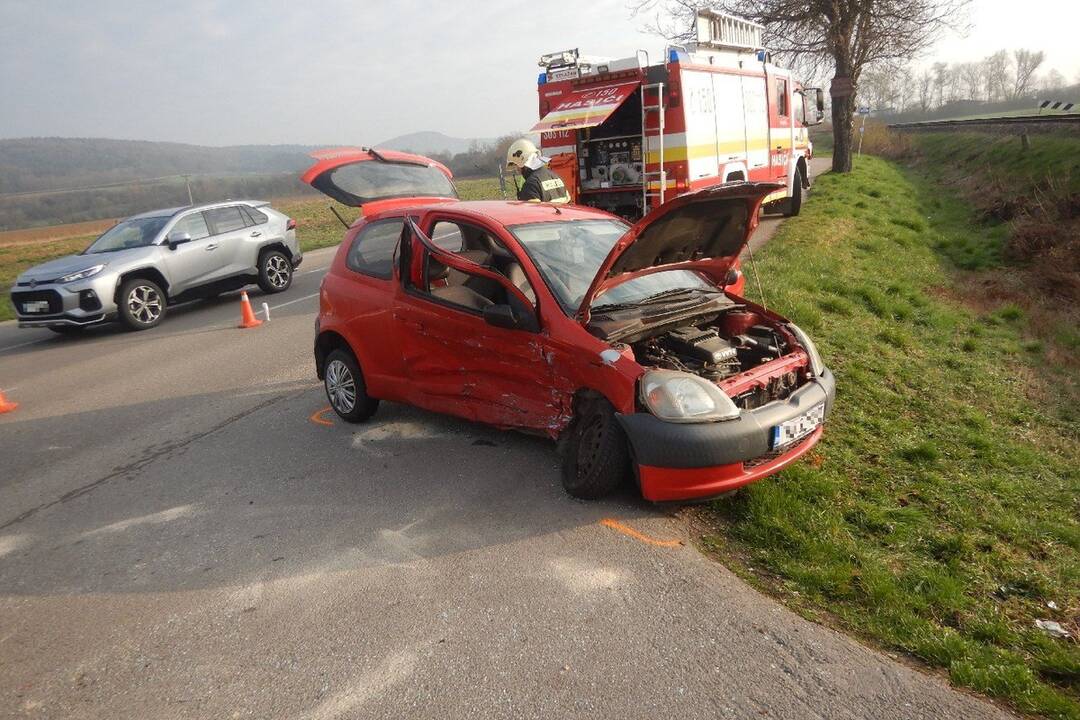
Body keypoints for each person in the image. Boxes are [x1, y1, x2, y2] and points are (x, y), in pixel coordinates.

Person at [505, 138, 570, 204]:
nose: (517, 170)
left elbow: (528, 213)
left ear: (522, 160)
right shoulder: (556, 177)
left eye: (517, 165)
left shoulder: (531, 185)